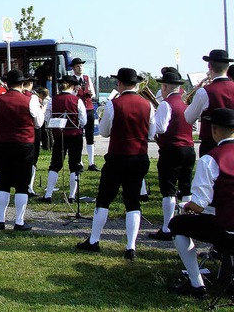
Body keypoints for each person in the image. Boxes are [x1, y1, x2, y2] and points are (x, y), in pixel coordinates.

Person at [76, 68, 155, 260]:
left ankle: (94, 240)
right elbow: (152, 134)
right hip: (139, 157)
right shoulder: (148, 105)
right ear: (135, 84)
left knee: (104, 199)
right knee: (133, 201)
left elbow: (104, 132)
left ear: (119, 83)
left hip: (118, 156)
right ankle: (130, 247)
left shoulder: (113, 104)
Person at [167, 108, 234, 299]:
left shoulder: (211, 159)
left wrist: (187, 206)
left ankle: (196, 284)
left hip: (227, 229)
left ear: (214, 130)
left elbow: (200, 204)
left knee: (177, 225)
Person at [0, 69, 45, 231]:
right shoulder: (31, 99)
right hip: (24, 145)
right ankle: (19, 221)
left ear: (6, 83)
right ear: (22, 84)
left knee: (4, 182)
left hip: (3, 144)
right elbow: (38, 123)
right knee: (22, 184)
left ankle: (1, 219)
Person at [148, 71, 195, 241]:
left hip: (171, 149)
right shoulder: (187, 103)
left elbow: (160, 128)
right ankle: (187, 224)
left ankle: (167, 228)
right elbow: (193, 124)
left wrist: (151, 120)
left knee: (168, 189)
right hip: (189, 148)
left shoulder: (165, 104)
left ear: (165, 87)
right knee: (186, 185)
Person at [38, 75, 87, 204]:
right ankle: (71, 196)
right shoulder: (78, 101)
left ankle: (48, 194)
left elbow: (47, 117)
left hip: (59, 136)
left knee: (55, 164)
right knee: (74, 165)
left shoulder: (53, 100)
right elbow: (83, 120)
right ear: (72, 86)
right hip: (75, 135)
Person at [185, 49, 234, 156]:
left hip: (212, 145)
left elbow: (189, 118)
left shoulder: (204, 92)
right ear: (227, 67)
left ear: (209, 66)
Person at [72, 58, 100, 171]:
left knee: (90, 135)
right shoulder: (72, 80)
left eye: (81, 66)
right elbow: (70, 95)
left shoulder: (87, 78)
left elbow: (93, 94)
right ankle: (80, 162)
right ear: (73, 68)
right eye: (78, 66)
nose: (80, 68)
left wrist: (90, 93)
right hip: (77, 110)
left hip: (88, 108)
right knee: (78, 136)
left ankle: (91, 162)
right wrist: (76, 90)